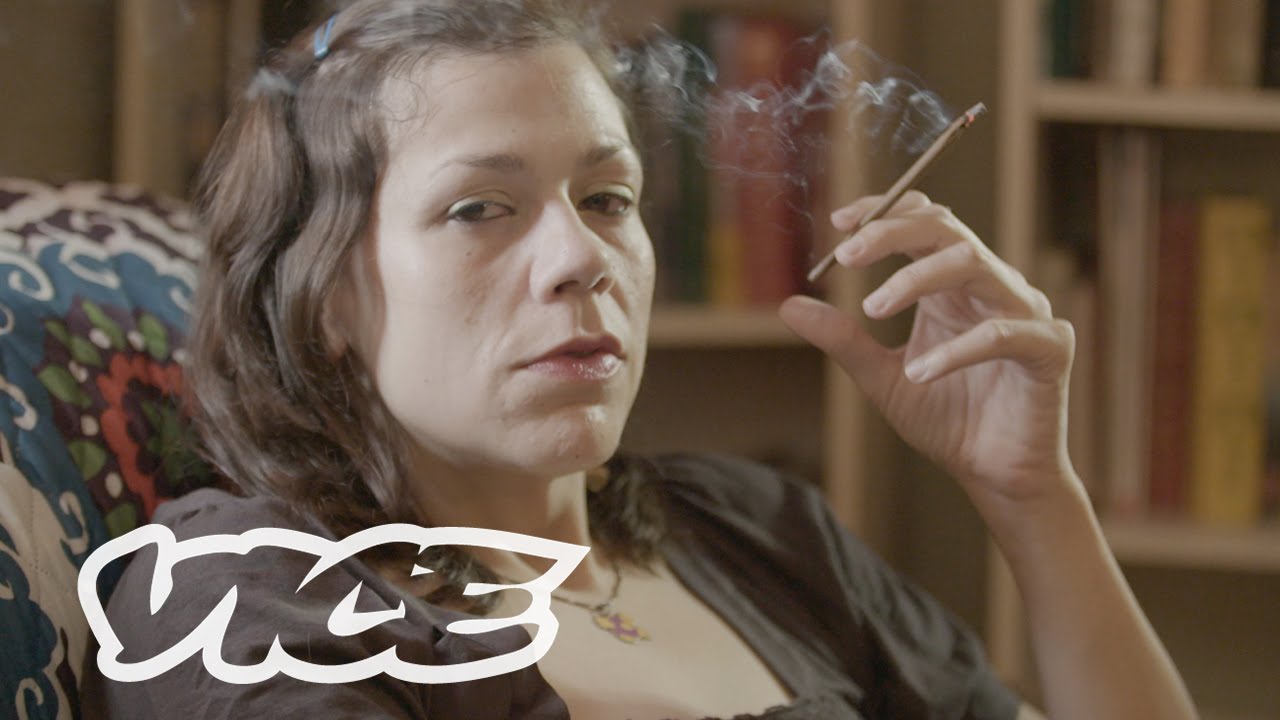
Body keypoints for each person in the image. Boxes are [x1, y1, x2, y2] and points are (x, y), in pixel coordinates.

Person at [91, 1, 1198, 718]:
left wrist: (1032, 499)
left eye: (607, 198)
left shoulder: (759, 533)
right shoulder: (245, 599)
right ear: (323, 292)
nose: (581, 256)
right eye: (480, 208)